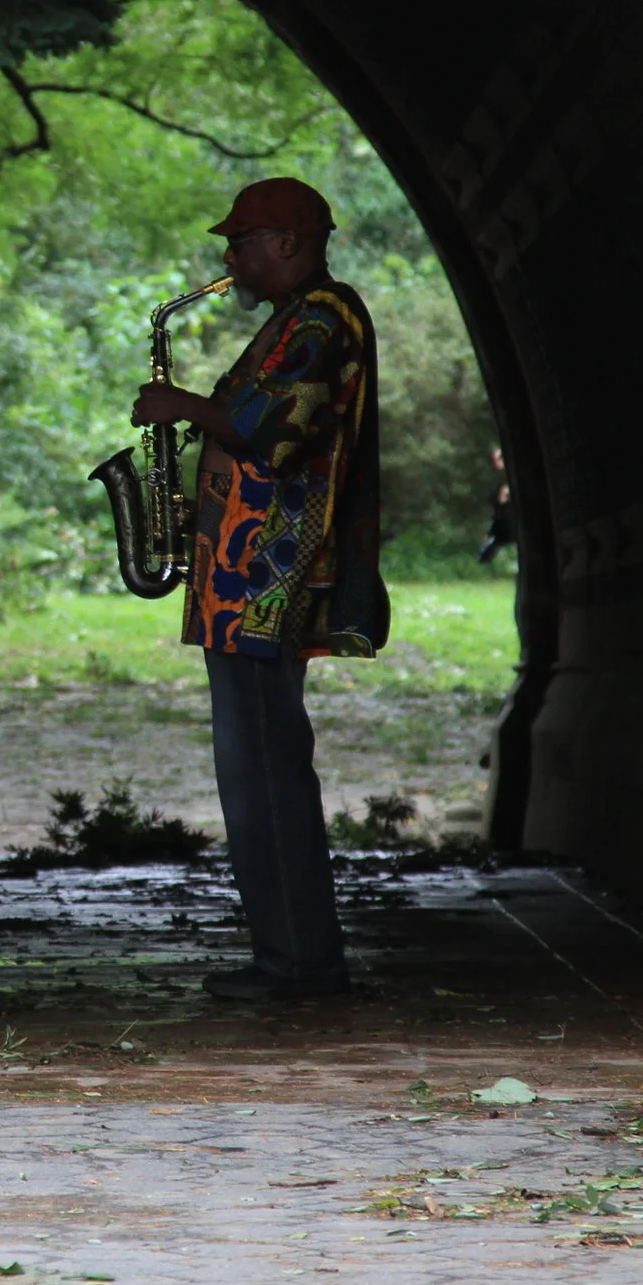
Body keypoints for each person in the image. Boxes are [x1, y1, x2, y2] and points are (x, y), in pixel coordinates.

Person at [129, 177, 389, 1003]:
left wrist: (181, 405)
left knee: (268, 775)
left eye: (241, 242)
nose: (230, 259)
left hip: (268, 577)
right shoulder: (298, 318)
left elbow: (273, 430)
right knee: (252, 776)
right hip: (243, 577)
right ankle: (287, 957)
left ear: (289, 240)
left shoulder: (322, 317)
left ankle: (302, 964)